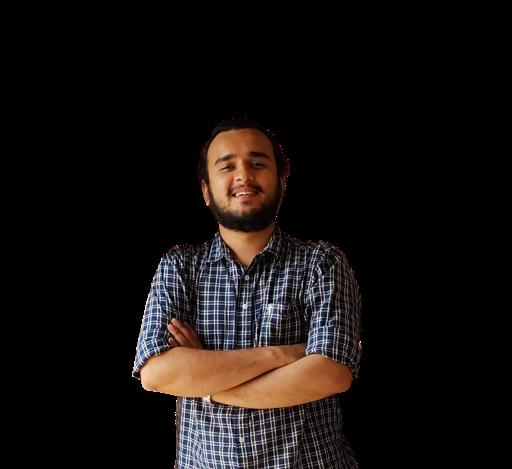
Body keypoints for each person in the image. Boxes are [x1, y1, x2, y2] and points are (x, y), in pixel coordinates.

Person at [132, 118, 362, 468]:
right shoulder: (179, 267)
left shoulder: (322, 262)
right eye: (227, 166)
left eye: (257, 163)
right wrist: (283, 355)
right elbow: (156, 374)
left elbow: (331, 373)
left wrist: (204, 386)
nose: (243, 175)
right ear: (206, 190)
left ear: (282, 180)